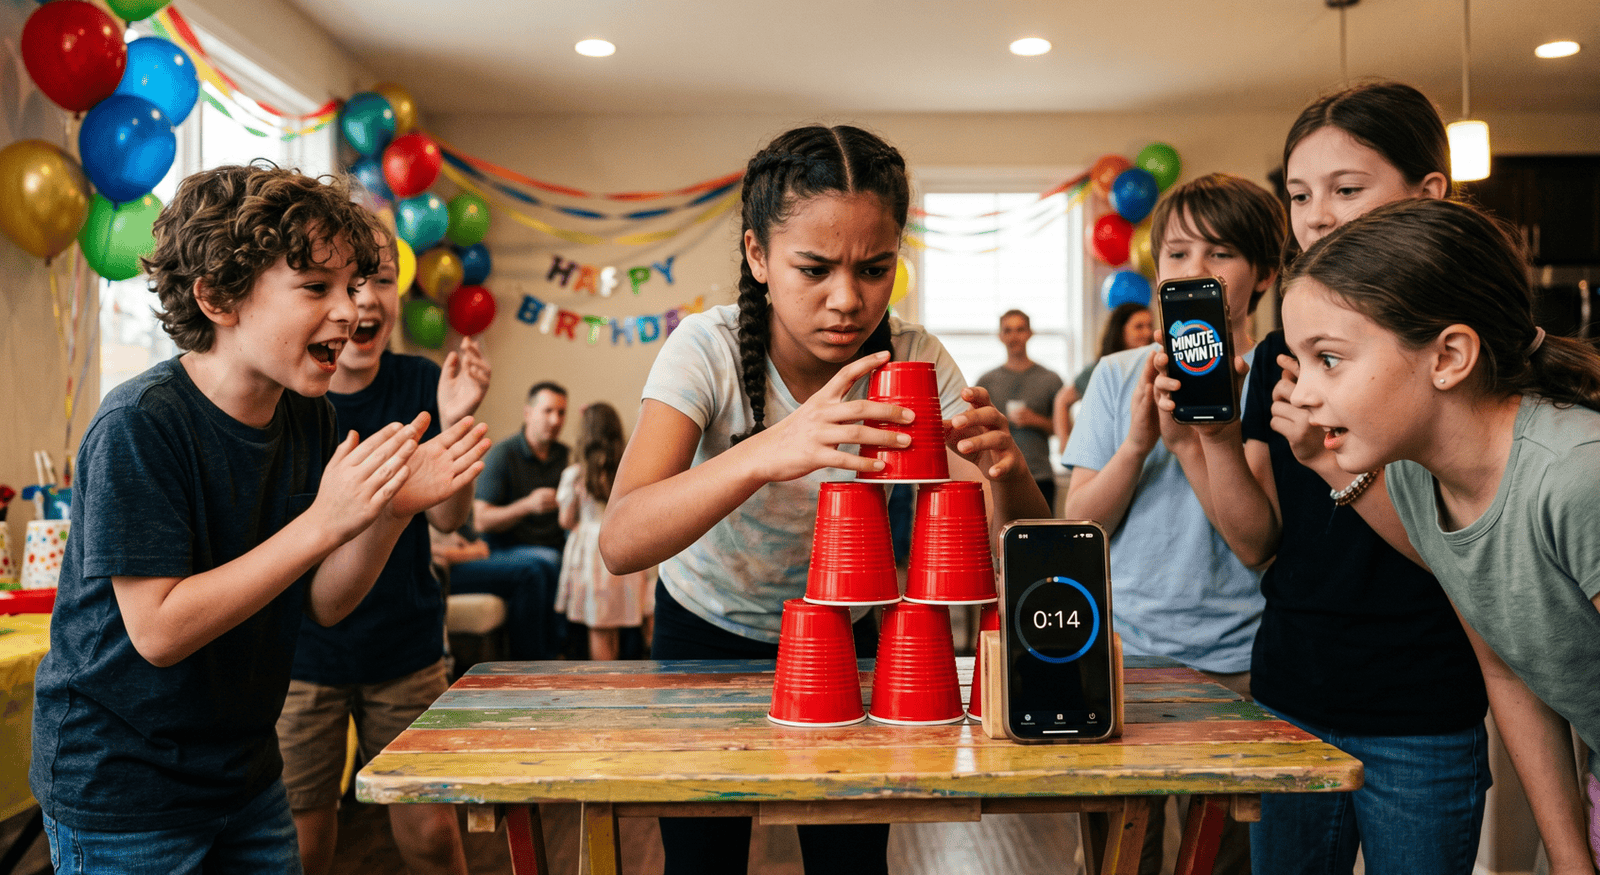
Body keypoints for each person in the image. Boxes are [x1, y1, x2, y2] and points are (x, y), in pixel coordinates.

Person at [598, 124, 1050, 875]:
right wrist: (765, 453)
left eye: (874, 269)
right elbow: (620, 538)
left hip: (855, 631)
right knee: (702, 860)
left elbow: (1018, 550)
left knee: (851, 858)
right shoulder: (704, 349)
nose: (847, 299)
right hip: (709, 633)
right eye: (814, 268)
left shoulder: (913, 358)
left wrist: (1007, 475)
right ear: (757, 256)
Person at [28, 165, 489, 873]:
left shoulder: (308, 415)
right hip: (125, 786)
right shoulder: (142, 424)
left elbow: (324, 603)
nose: (351, 308)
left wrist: (388, 512)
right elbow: (159, 630)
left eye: (354, 285)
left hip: (242, 771)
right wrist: (322, 523)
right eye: (316, 288)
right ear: (217, 297)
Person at [1159, 82, 1490, 875]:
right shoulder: (1283, 348)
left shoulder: (1457, 352)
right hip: (1292, 694)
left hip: (1422, 708)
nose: (1317, 215)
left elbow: (1463, 555)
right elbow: (1259, 541)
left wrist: (1332, 460)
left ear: (1428, 193)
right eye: (1300, 194)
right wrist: (1199, 441)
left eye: (1347, 189)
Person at [1280, 197, 1600, 874]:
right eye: (1299, 362)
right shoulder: (1412, 481)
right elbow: (1505, 667)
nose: (1303, 394)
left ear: (1449, 355)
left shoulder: (1578, 476)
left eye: (1328, 359)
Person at [1061, 173, 1283, 874]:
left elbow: (1256, 542)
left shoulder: (1281, 380)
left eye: (1221, 255)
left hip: (1241, 664)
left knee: (1227, 859)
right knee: (1119, 855)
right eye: (1179, 255)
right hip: (1128, 663)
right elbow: (1080, 524)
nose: (1196, 273)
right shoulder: (1118, 375)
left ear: (1265, 273)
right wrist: (1135, 444)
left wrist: (1193, 439)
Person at [276, 233, 492, 875]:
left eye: (382, 279)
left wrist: (456, 421)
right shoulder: (290, 397)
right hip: (304, 656)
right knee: (304, 843)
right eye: (348, 283)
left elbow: (449, 520)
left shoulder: (422, 380)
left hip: (405, 647)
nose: (364, 301)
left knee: (431, 837)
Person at [454, 381, 571, 659]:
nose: (555, 420)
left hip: (552, 550)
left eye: (562, 413)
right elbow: (481, 521)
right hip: (503, 550)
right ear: (528, 413)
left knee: (569, 563)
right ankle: (542, 660)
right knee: (545, 563)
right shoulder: (504, 455)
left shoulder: (566, 456)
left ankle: (564, 655)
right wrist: (527, 505)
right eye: (548, 411)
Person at [556, 402, 655, 661]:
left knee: (600, 628)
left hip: (591, 555)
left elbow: (565, 521)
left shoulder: (576, 475)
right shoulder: (627, 471)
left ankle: (604, 689)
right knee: (623, 622)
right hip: (624, 544)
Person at [976, 309, 1064, 508]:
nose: (1014, 336)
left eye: (1020, 329)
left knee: (1042, 538)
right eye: (1008, 330)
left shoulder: (1051, 379)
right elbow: (975, 430)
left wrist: (1036, 420)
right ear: (1000, 336)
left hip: (1040, 476)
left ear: (1030, 333)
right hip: (998, 475)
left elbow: (1065, 430)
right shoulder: (986, 381)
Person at [1052, 302, 1153, 450]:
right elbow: (1062, 399)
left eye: (1150, 326)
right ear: (1120, 331)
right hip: (1109, 456)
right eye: (1139, 327)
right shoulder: (1101, 369)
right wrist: (1065, 442)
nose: (1148, 333)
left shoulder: (1154, 367)